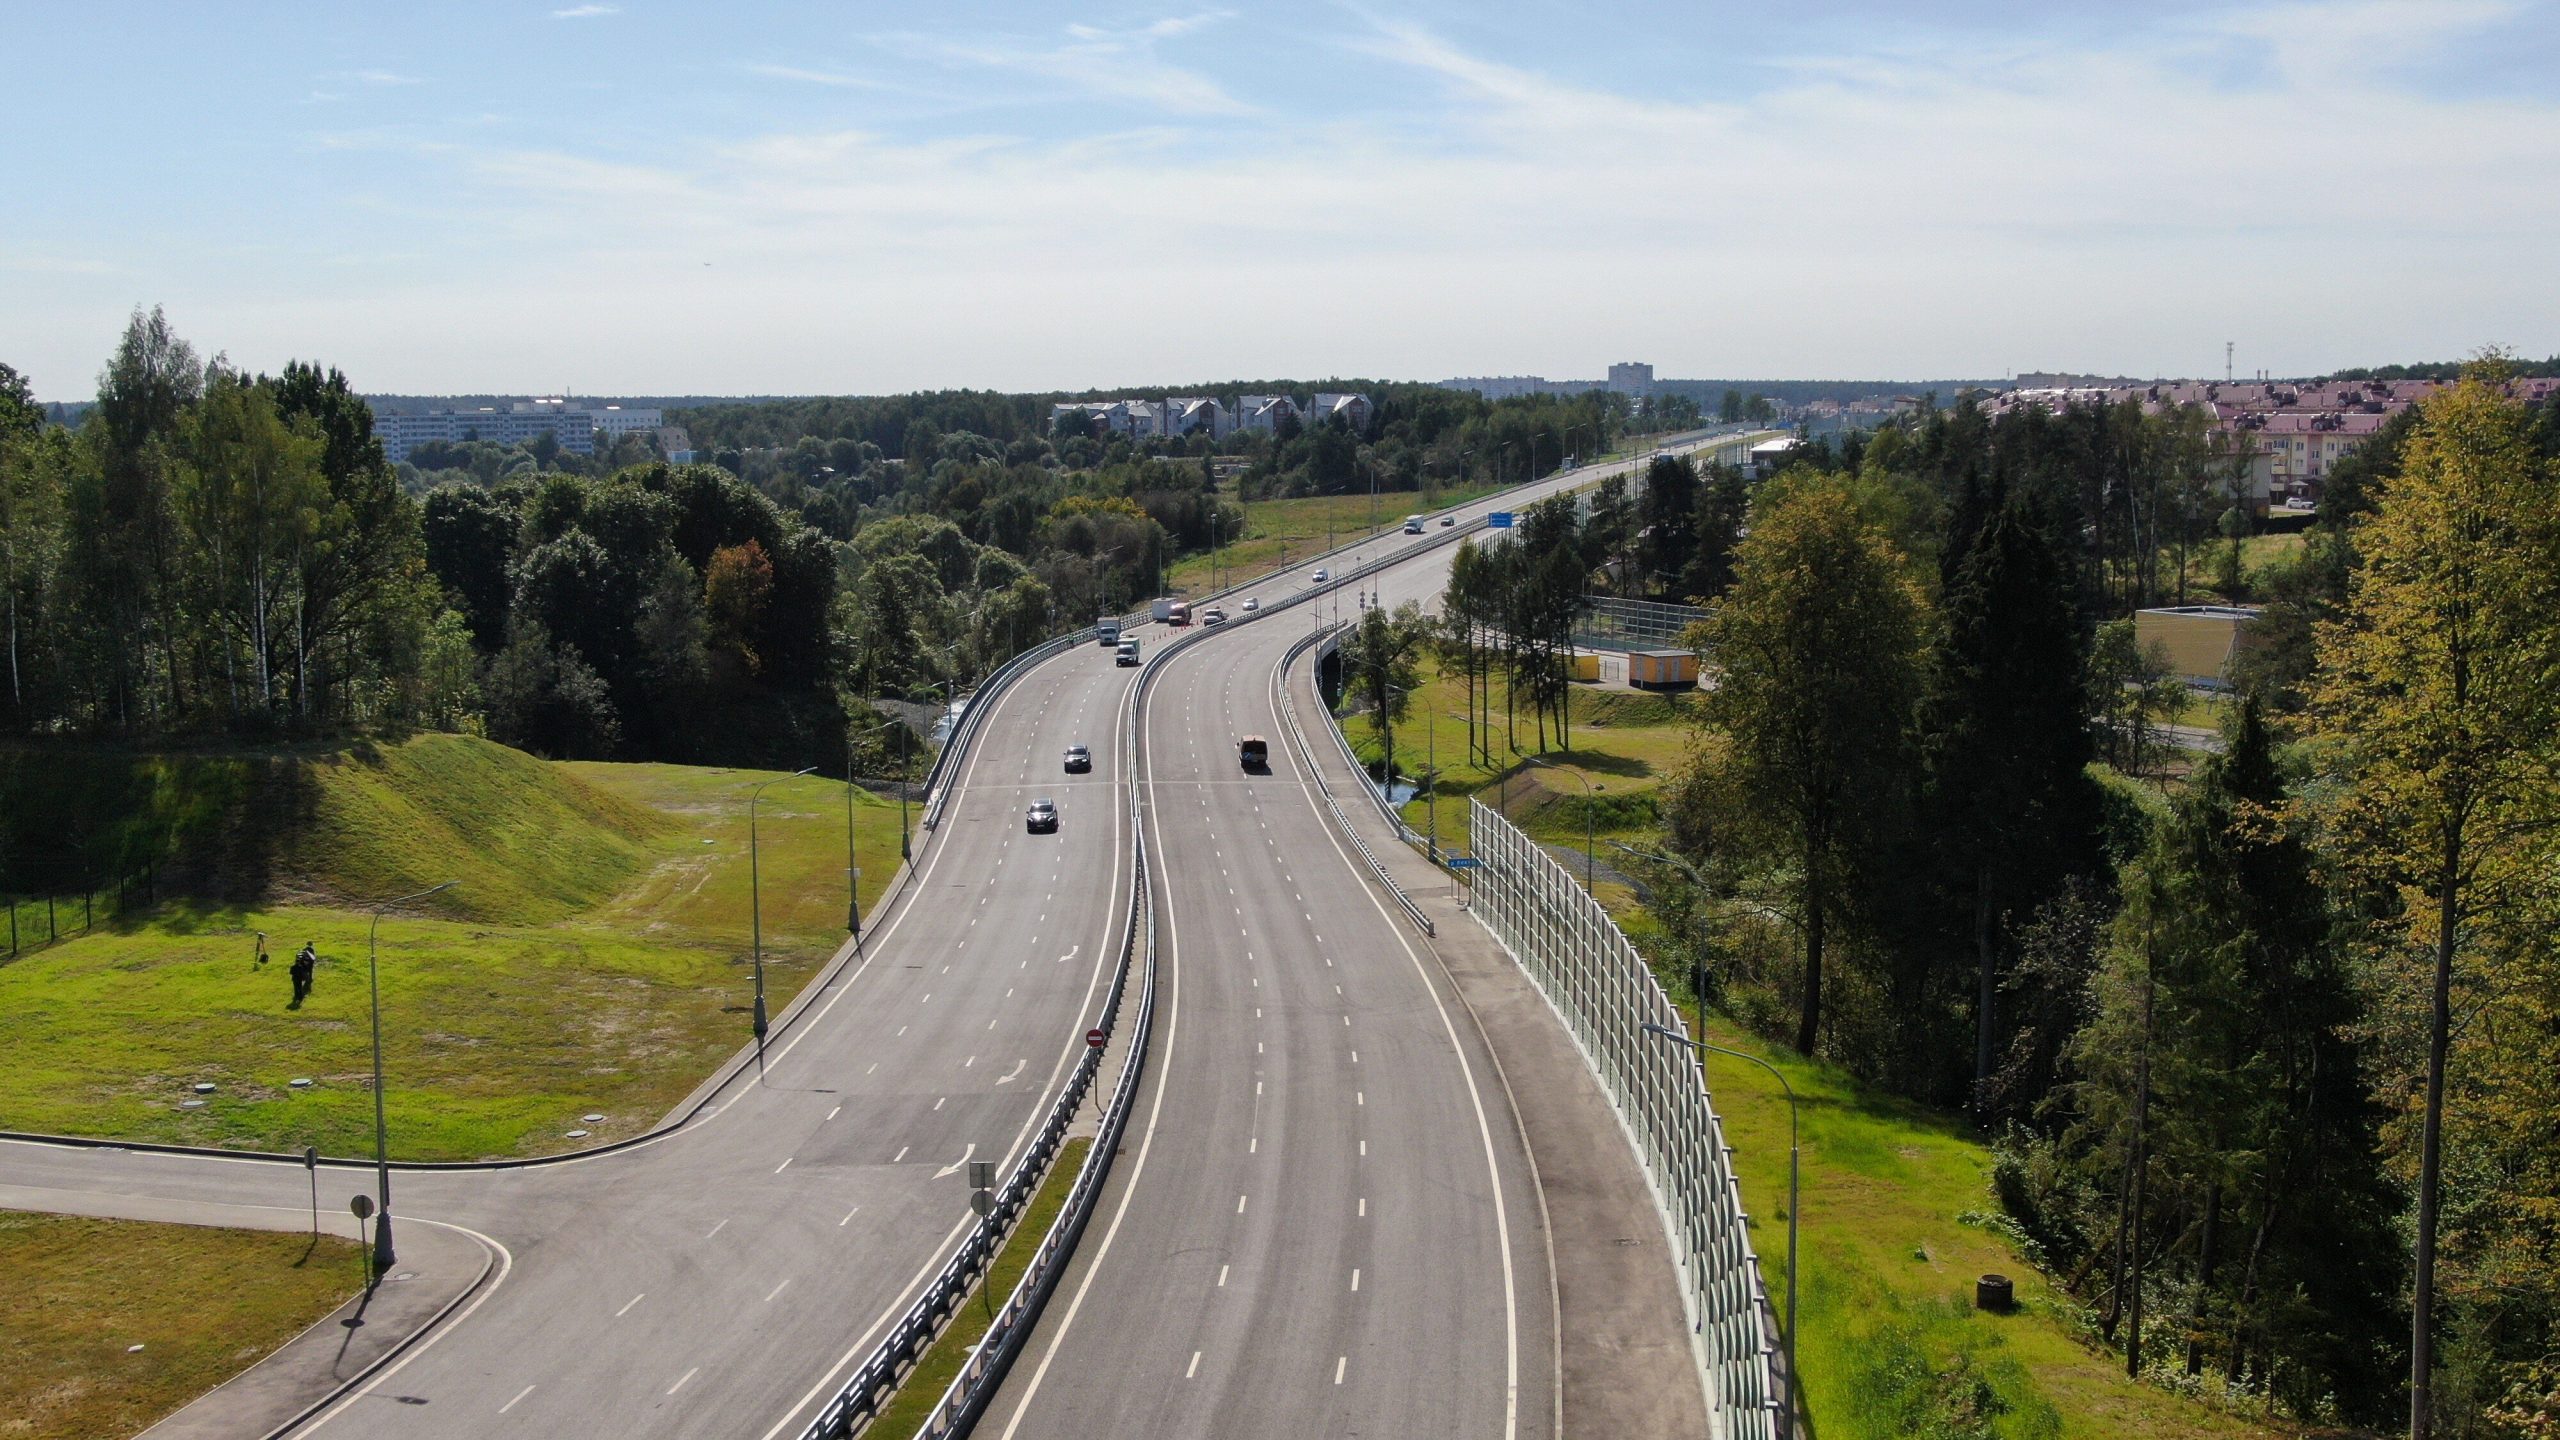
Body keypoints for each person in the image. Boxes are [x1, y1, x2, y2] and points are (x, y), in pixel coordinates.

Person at [289, 941, 317, 1009]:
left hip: (295, 979)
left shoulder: (294, 966)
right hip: (301, 976)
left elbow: (291, 973)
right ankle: (300, 996)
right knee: (300, 986)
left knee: (296, 988)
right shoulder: (311, 950)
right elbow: (313, 958)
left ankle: (297, 996)